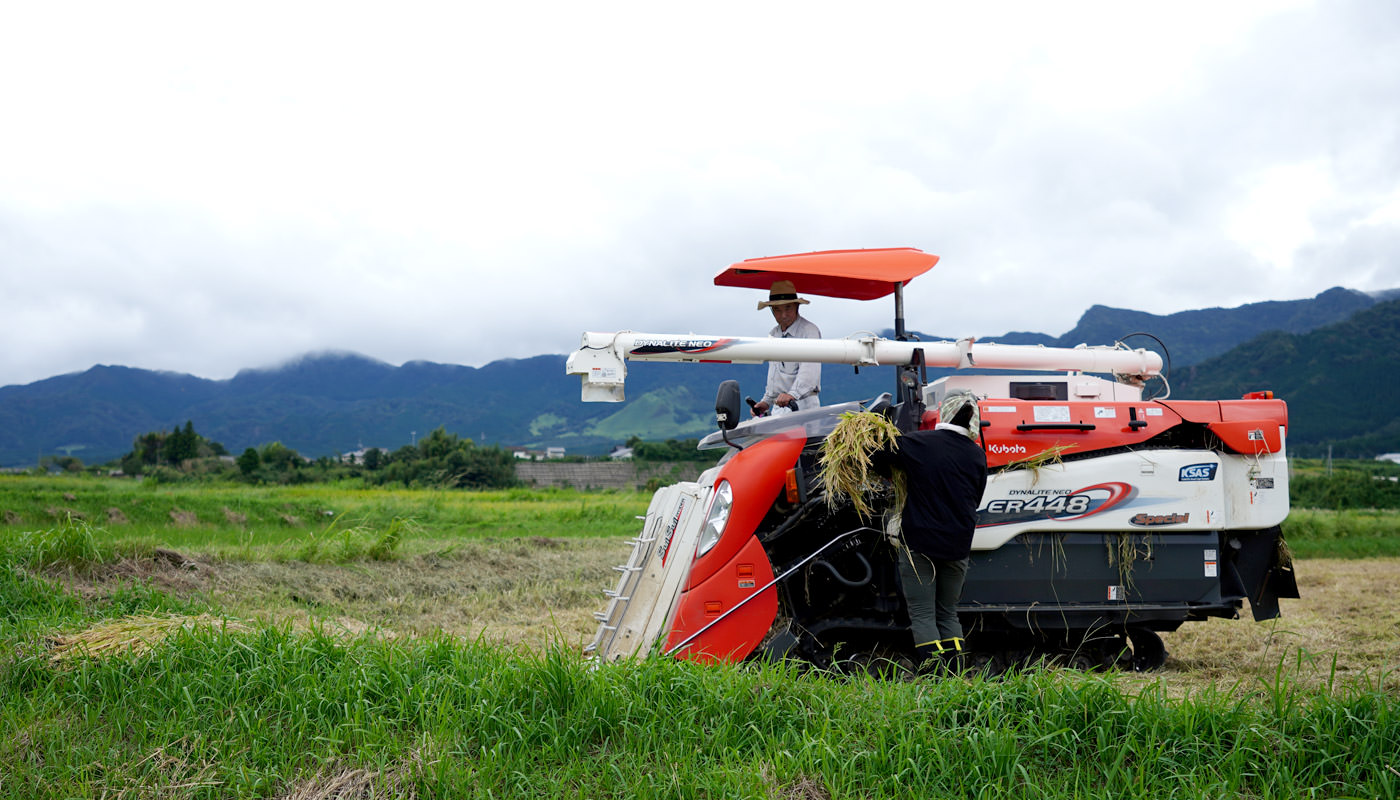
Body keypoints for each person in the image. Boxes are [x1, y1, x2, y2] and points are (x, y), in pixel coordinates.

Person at [871, 391, 988, 674]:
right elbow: (977, 498)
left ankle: (935, 677)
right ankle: (955, 678)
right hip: (958, 546)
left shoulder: (920, 443)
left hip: (920, 544)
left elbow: (876, 454)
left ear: (944, 413)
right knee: (947, 613)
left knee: (923, 614)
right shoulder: (977, 455)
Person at [752, 280, 821, 417]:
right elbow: (774, 374)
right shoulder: (774, 333)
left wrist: (792, 394)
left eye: (788, 308)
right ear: (772, 311)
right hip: (779, 407)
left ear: (797, 306)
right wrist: (766, 401)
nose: (783, 315)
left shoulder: (809, 331)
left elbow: (809, 371)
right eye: (777, 310)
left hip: (803, 405)